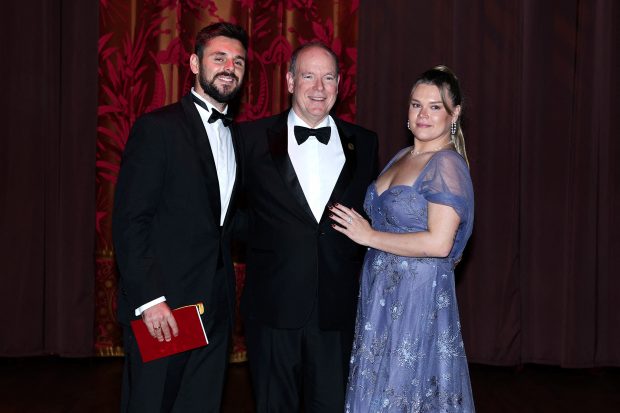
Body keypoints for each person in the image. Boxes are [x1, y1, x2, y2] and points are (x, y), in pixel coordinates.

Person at [112, 22, 248, 412]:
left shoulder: (237, 137)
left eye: (238, 61)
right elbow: (129, 220)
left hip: (215, 308)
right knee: (152, 405)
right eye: (219, 57)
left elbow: (225, 221)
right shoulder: (158, 129)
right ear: (193, 63)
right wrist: (150, 300)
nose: (229, 67)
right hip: (165, 309)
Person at [236, 42, 379, 412]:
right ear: (289, 81)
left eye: (328, 77)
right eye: (308, 76)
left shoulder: (364, 143)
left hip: (337, 310)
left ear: (339, 85)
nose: (319, 88)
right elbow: (230, 217)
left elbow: (376, 218)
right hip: (272, 308)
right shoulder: (250, 139)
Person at [330, 65, 476, 412]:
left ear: (454, 114)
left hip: (415, 297)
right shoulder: (402, 156)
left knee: (401, 394)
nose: (422, 114)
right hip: (381, 293)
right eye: (415, 105)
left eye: (435, 106)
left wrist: (369, 235)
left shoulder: (446, 164)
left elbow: (440, 244)